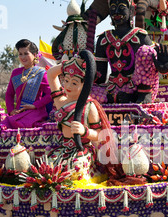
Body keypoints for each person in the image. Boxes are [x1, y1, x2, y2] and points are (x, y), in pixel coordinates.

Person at [47, 51, 117, 182]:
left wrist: (84, 131)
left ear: (85, 85)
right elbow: (51, 74)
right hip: (65, 148)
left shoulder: (90, 107)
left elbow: (100, 135)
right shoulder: (61, 101)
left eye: (74, 83)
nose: (67, 86)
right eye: (66, 81)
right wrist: (66, 65)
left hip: (84, 149)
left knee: (75, 167)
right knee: (50, 167)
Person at [91, 0, 168, 104]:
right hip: (113, 89)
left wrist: (163, 68)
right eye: (113, 8)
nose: (117, 12)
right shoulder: (103, 38)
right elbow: (100, 76)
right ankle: (117, 98)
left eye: (122, 8)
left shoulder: (140, 35)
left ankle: (142, 96)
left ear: (132, 11)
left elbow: (154, 63)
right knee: (85, 90)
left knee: (146, 51)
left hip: (140, 88)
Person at [1, 39, 52, 129]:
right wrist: (11, 110)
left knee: (23, 126)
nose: (23, 57)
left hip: (35, 113)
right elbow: (9, 94)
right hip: (18, 114)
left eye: (26, 53)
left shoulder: (41, 73)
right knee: (2, 127)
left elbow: (50, 94)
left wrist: (35, 105)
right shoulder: (15, 72)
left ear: (35, 55)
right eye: (20, 54)